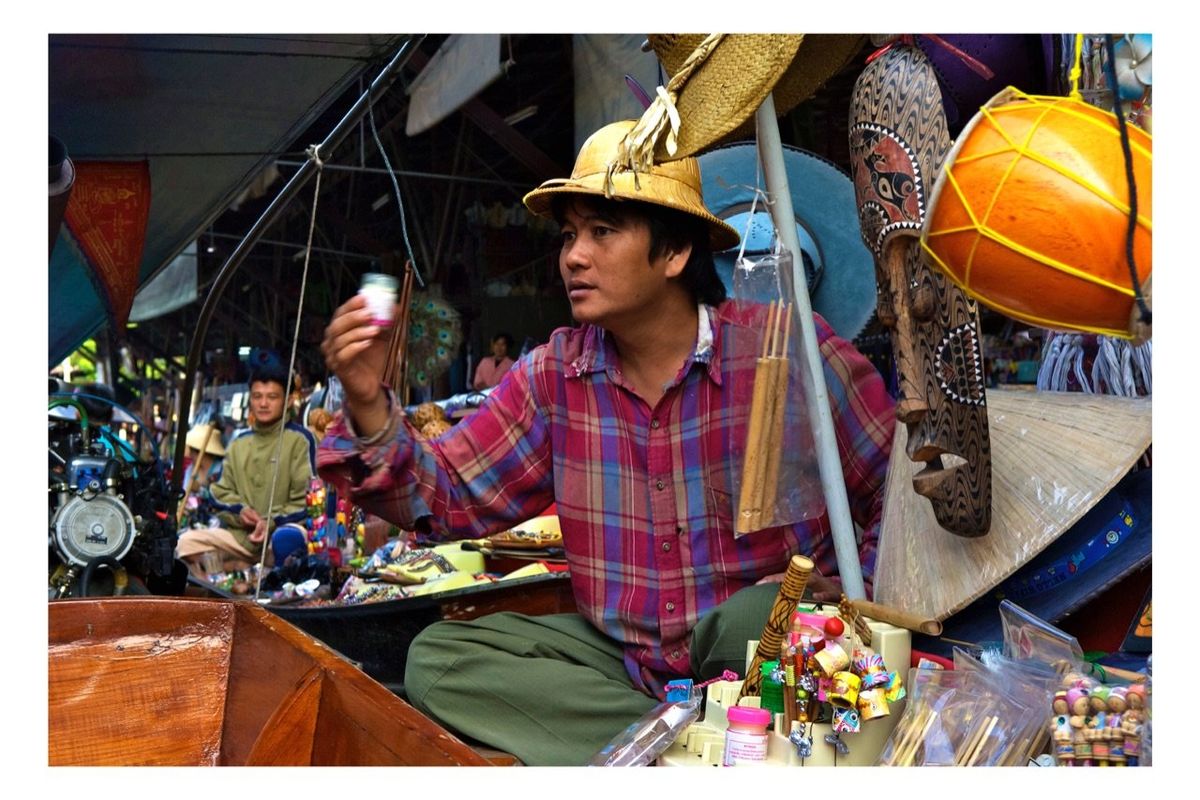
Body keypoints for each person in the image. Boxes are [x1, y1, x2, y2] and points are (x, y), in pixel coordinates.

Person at [317, 120, 894, 765]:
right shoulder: (553, 376)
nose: (572, 257)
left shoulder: (789, 353)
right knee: (439, 660)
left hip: (761, 649)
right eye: (569, 235)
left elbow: (892, 491)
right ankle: (682, 749)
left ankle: (670, 743)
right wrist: (368, 407)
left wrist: (848, 597)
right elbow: (448, 494)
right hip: (629, 665)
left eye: (602, 231)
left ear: (675, 254)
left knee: (748, 618)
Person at [176, 366, 317, 578]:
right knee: (185, 544)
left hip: (278, 535)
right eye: (257, 396)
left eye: (272, 397)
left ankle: (267, 583)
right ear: (250, 400)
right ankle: (230, 584)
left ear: (288, 401)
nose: (263, 403)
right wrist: (241, 512)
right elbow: (220, 493)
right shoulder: (238, 443)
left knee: (287, 537)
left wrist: (269, 521)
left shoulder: (300, 440)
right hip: (241, 537)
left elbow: (305, 501)